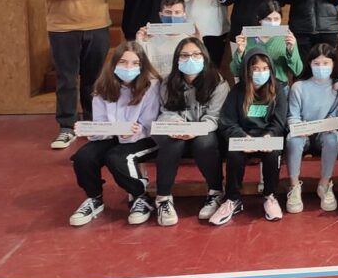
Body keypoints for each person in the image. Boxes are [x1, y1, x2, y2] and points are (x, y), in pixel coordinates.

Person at [30, 0, 121, 150]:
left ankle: (93, 122)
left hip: (98, 25)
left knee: (94, 79)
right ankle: (66, 127)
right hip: (63, 27)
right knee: (67, 80)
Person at [68, 41, 161, 227]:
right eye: (123, 62)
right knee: (83, 157)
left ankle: (140, 196)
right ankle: (94, 198)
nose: (129, 67)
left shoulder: (151, 86)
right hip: (112, 135)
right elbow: (101, 123)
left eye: (135, 63)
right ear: (114, 64)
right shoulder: (102, 87)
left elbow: (150, 123)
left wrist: (133, 132)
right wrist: (90, 131)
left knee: (117, 158)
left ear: (142, 66)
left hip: (144, 137)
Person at [152, 36, 230, 225]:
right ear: (177, 59)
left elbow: (214, 118)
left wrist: (195, 129)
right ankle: (163, 198)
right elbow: (166, 112)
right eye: (185, 55)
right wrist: (176, 124)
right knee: (172, 143)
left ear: (204, 57)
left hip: (204, 132)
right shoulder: (167, 83)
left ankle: (215, 191)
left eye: (196, 55)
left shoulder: (218, 84)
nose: (190, 59)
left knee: (205, 142)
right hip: (176, 131)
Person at [210, 48, 288, 225]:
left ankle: (270, 196)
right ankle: (232, 199)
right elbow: (227, 122)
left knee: (273, 154)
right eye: (256, 69)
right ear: (248, 70)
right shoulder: (237, 91)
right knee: (234, 155)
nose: (261, 73)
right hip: (243, 138)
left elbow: (280, 121)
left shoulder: (278, 89)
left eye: (265, 68)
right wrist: (242, 137)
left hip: (267, 137)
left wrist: (270, 135)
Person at [285, 43, 338, 214]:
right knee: (293, 141)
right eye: (316, 63)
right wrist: (300, 128)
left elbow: (336, 115)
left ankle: (324, 184)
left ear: (333, 64)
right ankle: (294, 186)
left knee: (332, 139)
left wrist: (329, 124)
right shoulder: (299, 87)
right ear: (309, 64)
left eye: (326, 63)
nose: (321, 67)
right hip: (303, 132)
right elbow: (292, 116)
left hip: (324, 132)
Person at [230, 0, 303, 83]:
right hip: (253, 85)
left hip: (278, 85)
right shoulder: (247, 39)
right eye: (268, 19)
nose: (272, 23)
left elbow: (297, 71)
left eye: (276, 19)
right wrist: (240, 52)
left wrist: (291, 51)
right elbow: (235, 71)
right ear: (259, 19)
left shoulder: (287, 38)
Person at [136, 0, 197, 77]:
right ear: (161, 15)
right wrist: (139, 42)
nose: (173, 16)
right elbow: (139, 66)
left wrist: (199, 42)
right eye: (168, 12)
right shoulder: (149, 38)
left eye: (177, 12)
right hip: (156, 82)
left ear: (184, 15)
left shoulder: (190, 40)